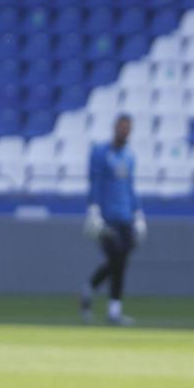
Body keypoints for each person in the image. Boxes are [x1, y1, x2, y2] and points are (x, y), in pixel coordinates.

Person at [81, 114, 146, 326]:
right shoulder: (101, 152)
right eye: (122, 127)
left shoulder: (129, 156)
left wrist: (138, 214)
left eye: (128, 128)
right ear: (115, 127)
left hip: (125, 216)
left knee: (119, 262)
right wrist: (94, 209)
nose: (124, 131)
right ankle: (113, 310)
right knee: (117, 257)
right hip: (107, 217)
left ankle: (91, 289)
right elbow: (95, 182)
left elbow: (130, 187)